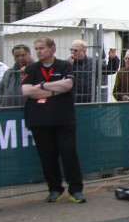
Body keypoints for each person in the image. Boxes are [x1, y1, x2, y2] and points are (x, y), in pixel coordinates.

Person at [21, 36, 86, 203]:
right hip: (39, 119)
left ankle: (76, 190)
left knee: (68, 153)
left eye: (42, 48)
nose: (39, 51)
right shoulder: (31, 68)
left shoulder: (64, 65)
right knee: (47, 156)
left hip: (63, 118)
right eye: (36, 49)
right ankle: (54, 189)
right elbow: (27, 91)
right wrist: (54, 90)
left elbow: (67, 85)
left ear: (52, 49)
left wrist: (42, 86)